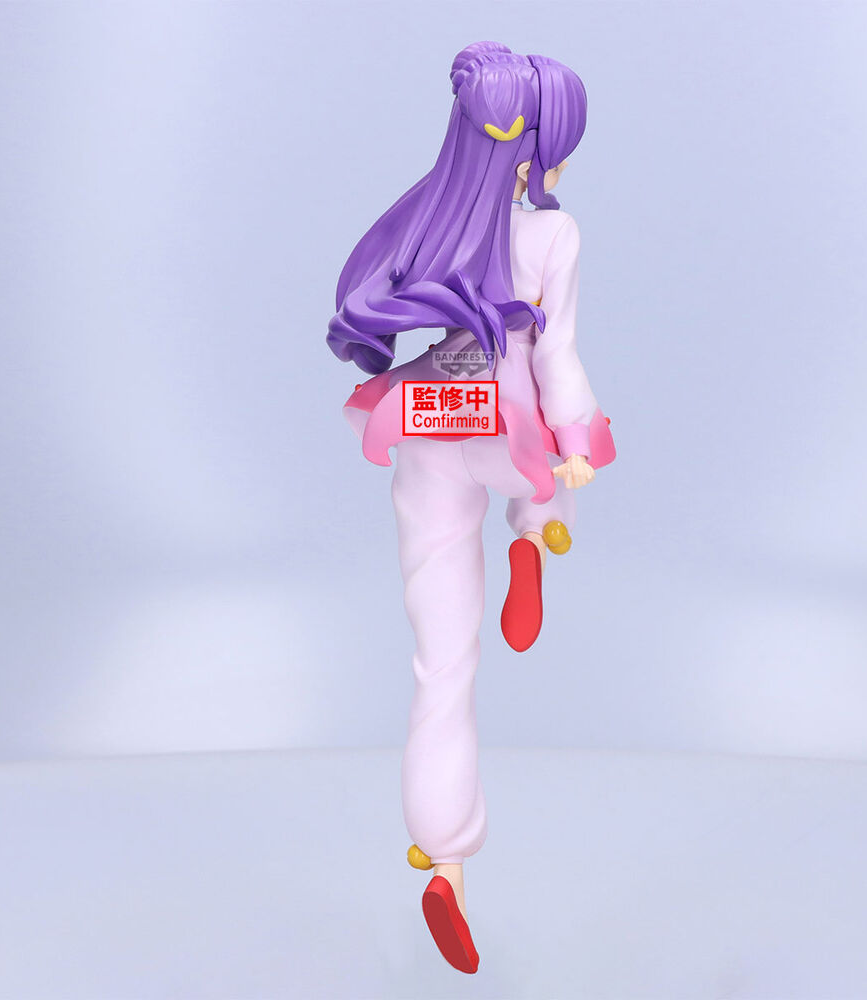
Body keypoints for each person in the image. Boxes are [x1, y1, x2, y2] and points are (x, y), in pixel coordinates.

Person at [327, 41, 615, 974]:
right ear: (534, 156)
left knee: (442, 665)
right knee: (555, 465)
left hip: (422, 420)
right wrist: (577, 446)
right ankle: (535, 533)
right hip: (507, 425)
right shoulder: (551, 237)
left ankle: (442, 858)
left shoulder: (426, 222)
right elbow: (557, 359)